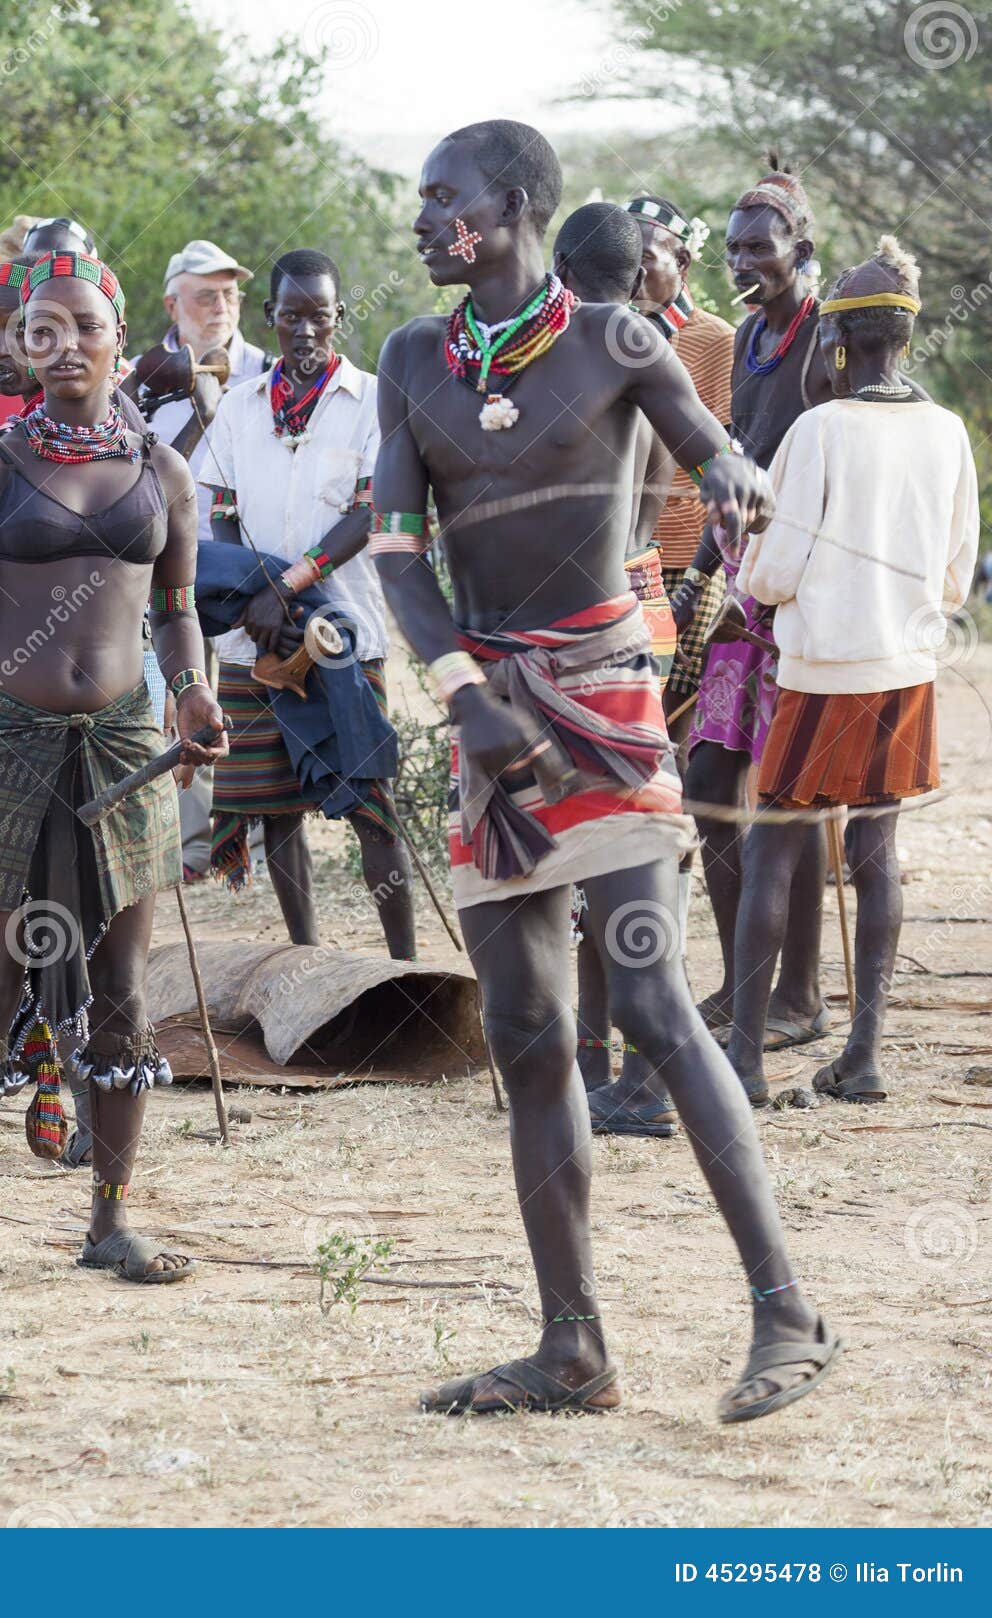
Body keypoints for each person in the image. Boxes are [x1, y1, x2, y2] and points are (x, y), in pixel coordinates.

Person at [373, 120, 837, 1422]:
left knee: (649, 999)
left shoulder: (617, 341)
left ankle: (788, 1312)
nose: (422, 220)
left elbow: (709, 448)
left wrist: (741, 478)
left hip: (610, 706)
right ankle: (571, 1345)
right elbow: (399, 557)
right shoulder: (413, 361)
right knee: (526, 1033)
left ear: (509, 208)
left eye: (440, 198)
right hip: (489, 721)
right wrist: (462, 697)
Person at [0, 250, 226, 1285]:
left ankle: (110, 1222)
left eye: (84, 325)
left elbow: (177, 615)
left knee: (122, 984)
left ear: (120, 336)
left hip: (123, 750)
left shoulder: (163, 472)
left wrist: (193, 691)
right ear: (17, 345)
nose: (65, 344)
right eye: (42, 328)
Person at [729, 239, 978, 1105]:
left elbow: (772, 570)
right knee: (877, 853)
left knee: (773, 855)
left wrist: (758, 581)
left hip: (819, 671)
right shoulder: (948, 432)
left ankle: (747, 1064)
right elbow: (955, 576)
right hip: (902, 670)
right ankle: (862, 1055)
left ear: (837, 346)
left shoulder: (819, 430)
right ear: (903, 341)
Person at [201, 248, 415, 957]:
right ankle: (308, 958)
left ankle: (404, 969)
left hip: (341, 634)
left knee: (372, 807)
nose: (303, 330)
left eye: (318, 317)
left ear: (338, 320)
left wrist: (284, 589)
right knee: (275, 811)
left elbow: (370, 512)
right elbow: (222, 510)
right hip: (252, 636)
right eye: (290, 316)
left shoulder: (372, 402)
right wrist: (251, 590)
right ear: (270, 318)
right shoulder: (237, 405)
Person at [669, 165, 835, 1059]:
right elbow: (733, 463)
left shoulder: (825, 342)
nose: (741, 261)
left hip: (803, 595)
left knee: (792, 792)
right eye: (731, 246)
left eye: (758, 247)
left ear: (800, 252)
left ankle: (798, 994)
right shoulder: (746, 342)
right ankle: (745, 981)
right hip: (738, 586)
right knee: (709, 783)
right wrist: (698, 573)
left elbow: (835, 465)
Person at [548, 204, 682, 1105]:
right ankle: (618, 1067)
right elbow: (666, 484)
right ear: (640, 279)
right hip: (649, 602)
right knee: (636, 844)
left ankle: (616, 1071)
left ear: (556, 269)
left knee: (590, 848)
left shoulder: (567, 358)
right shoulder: (648, 354)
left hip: (581, 620)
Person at [128, 238, 270, 879]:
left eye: (230, 293)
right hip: (167, 564)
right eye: (205, 294)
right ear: (172, 302)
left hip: (250, 558)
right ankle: (187, 846)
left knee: (252, 688)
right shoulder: (143, 376)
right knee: (180, 689)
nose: (220, 305)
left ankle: (256, 841)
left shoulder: (267, 370)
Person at [627, 195, 736, 731]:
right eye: (625, 256)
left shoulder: (716, 342)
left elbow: (724, 466)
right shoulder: (609, 339)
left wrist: (695, 580)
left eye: (646, 254)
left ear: (683, 263)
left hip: (689, 558)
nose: (634, 269)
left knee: (672, 711)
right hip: (623, 554)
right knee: (631, 702)